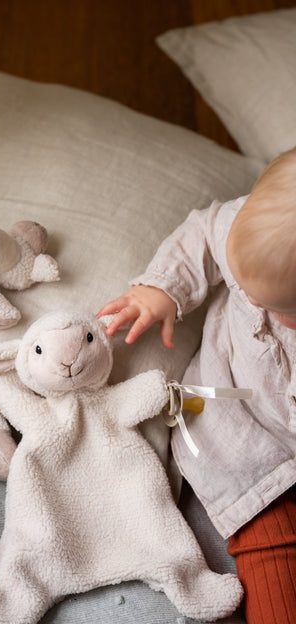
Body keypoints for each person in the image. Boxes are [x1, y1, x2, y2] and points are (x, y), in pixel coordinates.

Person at [98, 147, 296, 624]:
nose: (251, 301)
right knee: (269, 540)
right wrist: (162, 288)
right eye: (247, 288)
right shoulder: (249, 225)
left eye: (278, 307)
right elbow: (204, 233)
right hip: (244, 432)